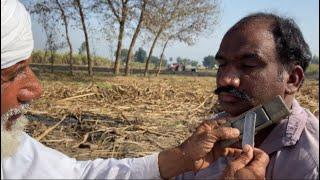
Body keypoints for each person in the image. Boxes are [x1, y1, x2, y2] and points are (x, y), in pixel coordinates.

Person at [1, 0, 269, 179]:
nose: (35, 89)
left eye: (248, 65)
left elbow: (76, 175)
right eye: (13, 74)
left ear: (294, 78)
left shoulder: (12, 149)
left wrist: (180, 157)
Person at [176, 12, 319, 179]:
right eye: (222, 65)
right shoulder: (206, 139)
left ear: (293, 79)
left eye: (248, 65)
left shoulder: (310, 163)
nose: (225, 79)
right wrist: (180, 157)